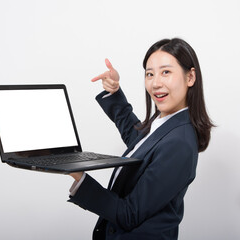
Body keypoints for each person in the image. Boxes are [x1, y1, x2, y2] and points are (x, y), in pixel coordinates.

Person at [68, 38, 213, 240]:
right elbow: (136, 138)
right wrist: (114, 92)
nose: (155, 83)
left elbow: (129, 214)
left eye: (166, 72)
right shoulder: (165, 122)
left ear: (190, 77)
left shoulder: (179, 143)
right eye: (149, 74)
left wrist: (79, 176)